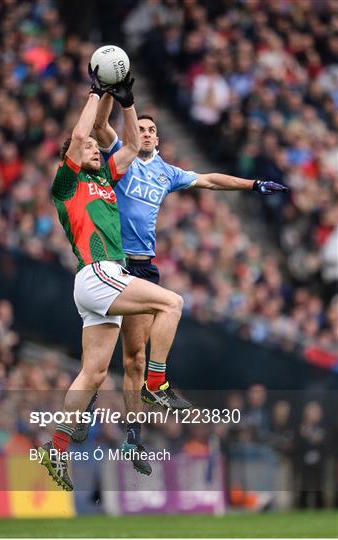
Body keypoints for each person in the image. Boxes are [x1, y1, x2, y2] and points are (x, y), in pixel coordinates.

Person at [73, 92, 289, 475]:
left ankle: (133, 436)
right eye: (140, 127)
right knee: (105, 361)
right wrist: (110, 93)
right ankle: (121, 398)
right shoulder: (117, 155)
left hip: (142, 269)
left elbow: (209, 181)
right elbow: (100, 125)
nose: (146, 133)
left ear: (158, 139)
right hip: (111, 264)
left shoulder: (166, 172)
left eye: (152, 130)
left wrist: (252, 184)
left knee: (134, 359)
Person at [37, 69, 191, 492]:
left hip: (95, 287)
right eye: (84, 146)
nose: (91, 146)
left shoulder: (106, 178)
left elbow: (128, 143)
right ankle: (157, 383)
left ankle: (58, 443)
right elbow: (81, 130)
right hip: (100, 272)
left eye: (92, 146)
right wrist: (93, 93)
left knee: (94, 373)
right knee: (171, 303)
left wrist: (124, 99)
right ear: (70, 153)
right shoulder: (66, 184)